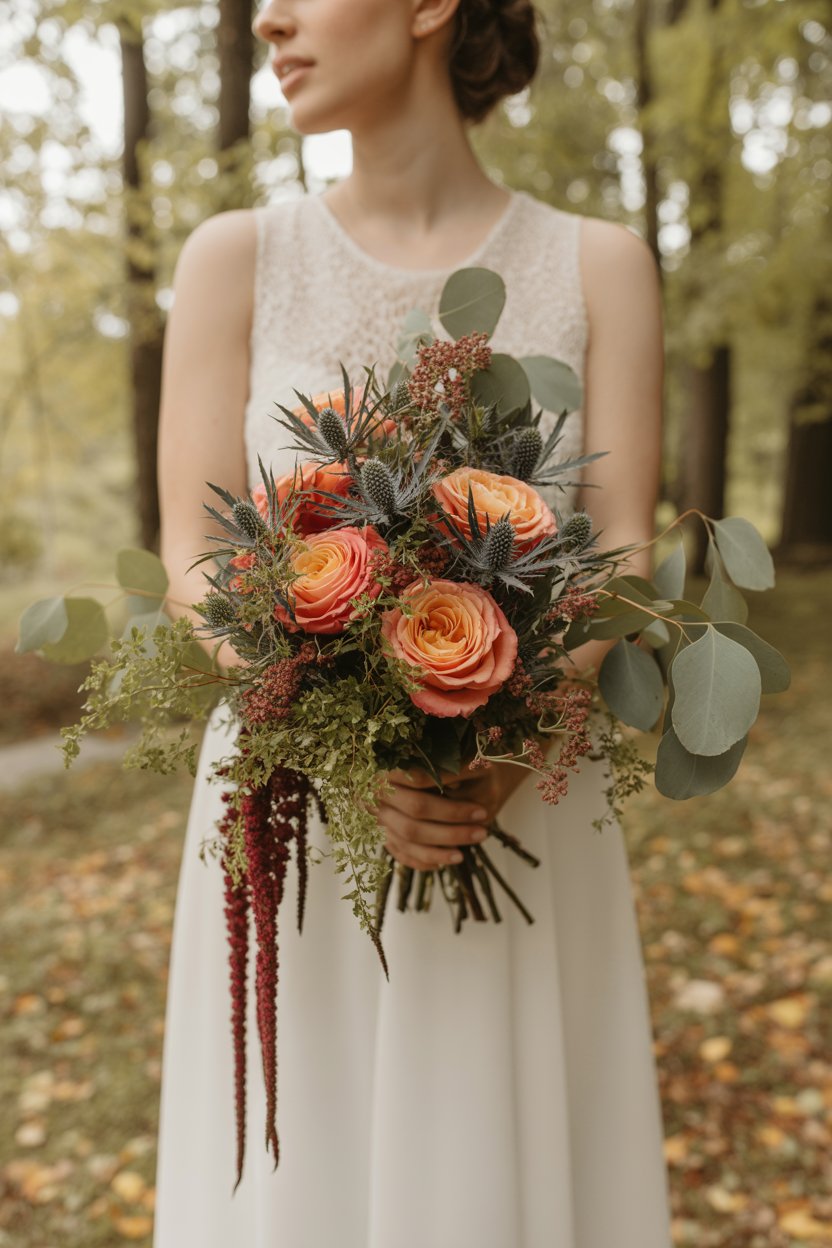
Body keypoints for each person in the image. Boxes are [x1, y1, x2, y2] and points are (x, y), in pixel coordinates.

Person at [152, 0, 671, 1244]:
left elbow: (623, 551)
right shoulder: (236, 255)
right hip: (295, 804)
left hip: (523, 789)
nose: (269, 16)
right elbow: (196, 553)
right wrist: (337, 735)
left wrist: (501, 738)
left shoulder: (599, 264)